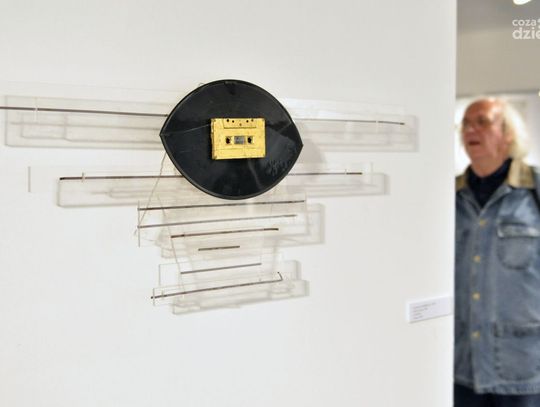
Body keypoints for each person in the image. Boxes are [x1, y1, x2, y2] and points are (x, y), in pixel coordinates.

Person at [455, 98, 540, 406]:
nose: (470, 130)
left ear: (508, 134)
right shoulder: (450, 196)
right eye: (465, 123)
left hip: (524, 370)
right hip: (461, 367)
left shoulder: (534, 191)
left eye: (482, 121)